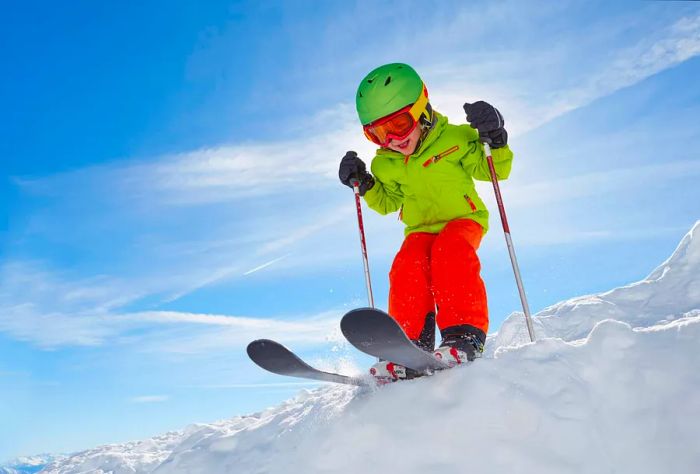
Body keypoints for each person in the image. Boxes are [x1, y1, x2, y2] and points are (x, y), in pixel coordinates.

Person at [338, 63, 514, 381]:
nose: (392, 138)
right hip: (420, 228)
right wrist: (365, 183)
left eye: (400, 124)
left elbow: (494, 171)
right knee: (407, 264)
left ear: (422, 108)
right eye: (378, 133)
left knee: (450, 252)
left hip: (462, 219)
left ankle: (464, 336)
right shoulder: (386, 163)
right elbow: (388, 202)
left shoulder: (457, 138)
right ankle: (407, 347)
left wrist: (495, 139)